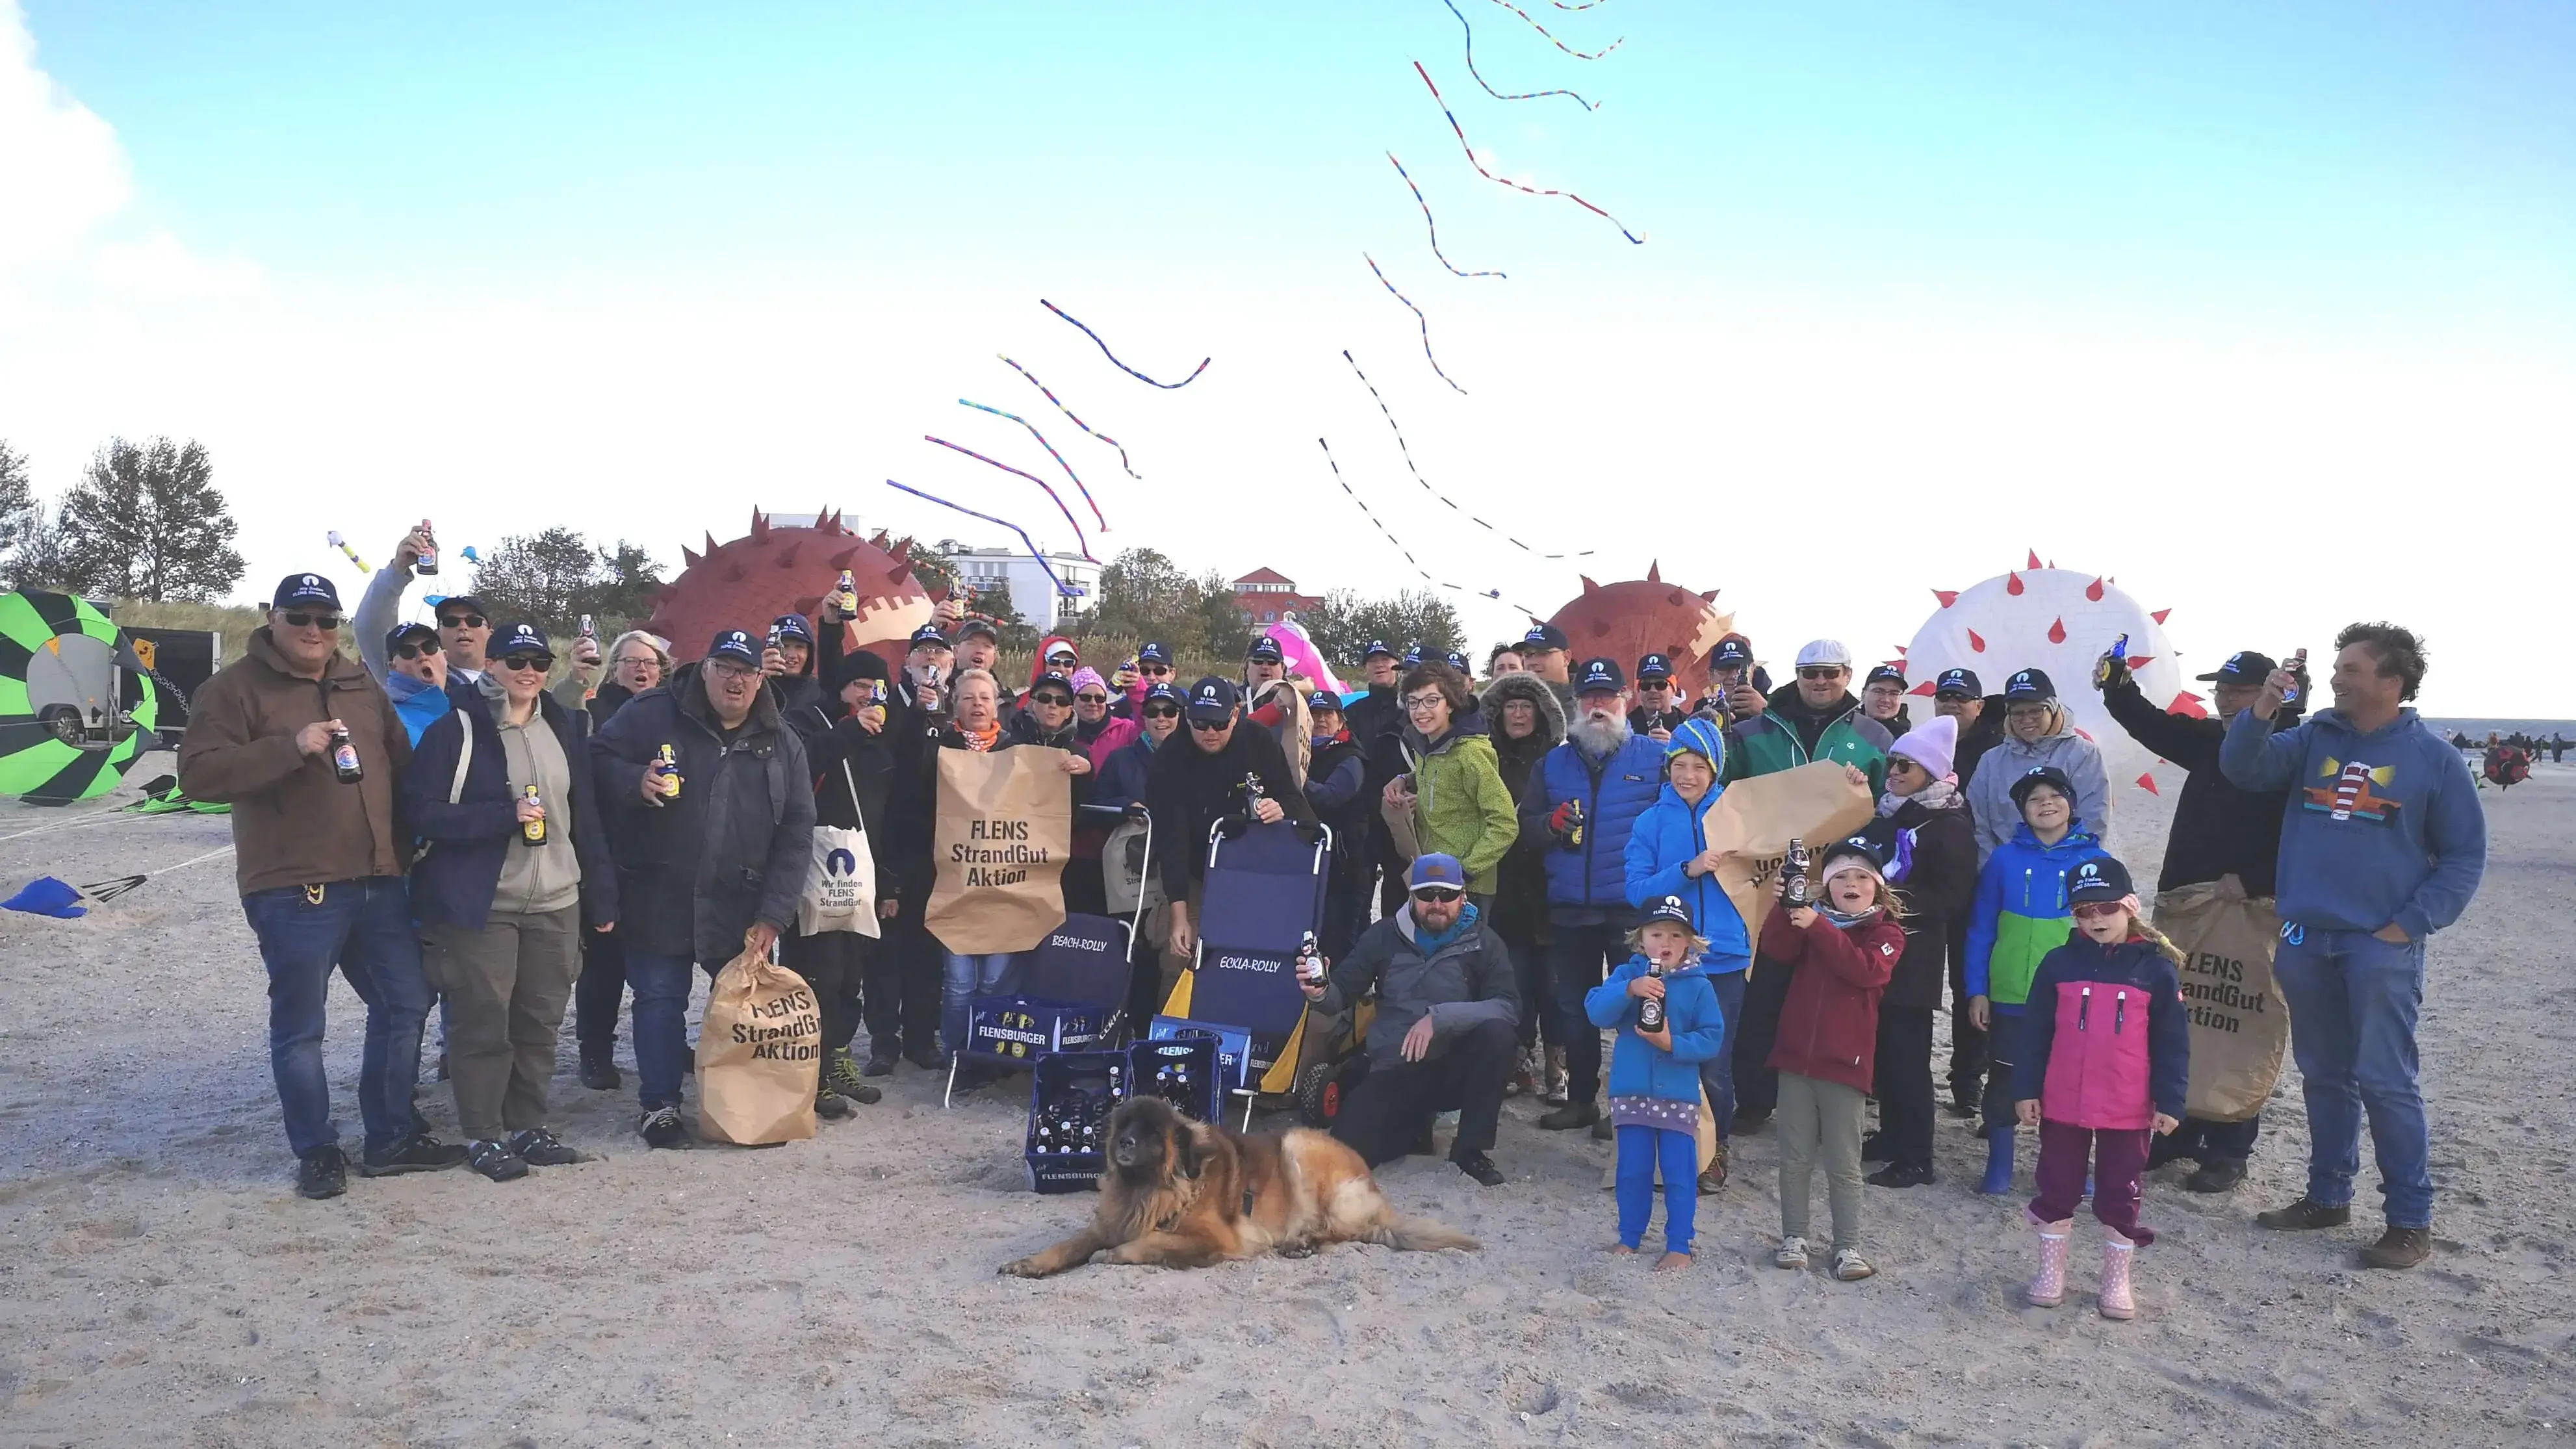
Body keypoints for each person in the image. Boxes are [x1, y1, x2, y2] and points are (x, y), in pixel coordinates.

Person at [177, 572, 461, 1198]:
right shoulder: (232, 689)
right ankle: (317, 1150)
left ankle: (389, 1138)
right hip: (293, 887)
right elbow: (197, 775)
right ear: (271, 617)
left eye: (326, 620)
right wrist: (289, 747)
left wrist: (418, 841)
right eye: (300, 617)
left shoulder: (361, 683)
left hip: (379, 879)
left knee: (406, 1003)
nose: (315, 631)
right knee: (303, 1027)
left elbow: (402, 765)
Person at [2221, 623, 2486, 1270]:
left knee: (2386, 1080)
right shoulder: (2312, 737)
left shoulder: (2433, 758)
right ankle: (2327, 1196)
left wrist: (2409, 924)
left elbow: (2463, 854)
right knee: (2325, 1077)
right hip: (2306, 938)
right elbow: (2243, 768)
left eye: (2352, 669)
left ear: (2391, 682)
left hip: (2379, 946)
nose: (2337, 678)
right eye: (2337, 667)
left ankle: (2408, 1219)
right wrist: (2263, 707)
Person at [403, 622, 619, 1181]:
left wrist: (601, 893)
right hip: (485, 904)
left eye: (540, 661)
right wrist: (502, 818)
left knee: (540, 1021)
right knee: (482, 1023)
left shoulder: (566, 725)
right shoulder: (457, 729)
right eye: (515, 658)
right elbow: (420, 812)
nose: (529, 670)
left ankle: (527, 1125)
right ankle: (483, 1134)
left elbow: (585, 815)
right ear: (491, 665)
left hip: (556, 898)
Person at [590, 628, 818, 1147]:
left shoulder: (783, 740)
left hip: (740, 902)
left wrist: (773, 915)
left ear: (762, 678)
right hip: (658, 892)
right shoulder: (650, 713)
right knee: (659, 1000)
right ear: (704, 669)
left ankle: (746, 1104)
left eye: (746, 671)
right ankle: (660, 1106)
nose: (736, 681)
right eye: (726, 668)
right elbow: (595, 761)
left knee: (746, 1008)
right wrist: (634, 781)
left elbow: (797, 831)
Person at [2098, 648, 2298, 1190]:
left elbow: (2304, 832)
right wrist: (2118, 687)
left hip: (2250, 907)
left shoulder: (2293, 748)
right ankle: (2178, 1130)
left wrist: (2255, 880)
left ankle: (2231, 1148)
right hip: (2188, 899)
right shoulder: (2213, 740)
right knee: (2181, 1014)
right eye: (2221, 690)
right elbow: (2152, 727)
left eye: (2236, 690)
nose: (2223, 698)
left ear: (2271, 691)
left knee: (2238, 1014)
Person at [2011, 854, 2189, 1319]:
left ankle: (2116, 1280)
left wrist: (2170, 1100)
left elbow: (2173, 1043)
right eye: (2084, 911)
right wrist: (2026, 1089)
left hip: (2128, 1105)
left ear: (2129, 906)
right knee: (2056, 1185)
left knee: (2121, 1191)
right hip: (2063, 1101)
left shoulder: (2156, 970)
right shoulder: (2057, 964)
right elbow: (2034, 1033)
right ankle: (2051, 1273)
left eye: (2106, 907)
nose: (2096, 919)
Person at [1304, 854, 1520, 1186]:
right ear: (1412, 896)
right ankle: (1413, 1129)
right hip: (1395, 1066)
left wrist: (1440, 1017)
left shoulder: (1484, 942)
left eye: (1447, 895)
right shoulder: (1382, 936)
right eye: (1427, 894)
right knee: (1344, 1155)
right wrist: (1318, 991)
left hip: (1453, 1068)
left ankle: (1470, 1149)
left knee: (1498, 1035)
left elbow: (1508, 1007)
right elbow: (1340, 996)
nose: (1437, 904)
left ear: (1463, 896)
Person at [1608, 717, 1752, 1192]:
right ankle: (1663, 1156)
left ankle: (1714, 1153)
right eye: (1679, 765)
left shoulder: (1737, 815)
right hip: (1668, 962)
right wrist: (1687, 870)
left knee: (1714, 1061)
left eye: (1698, 766)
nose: (1686, 775)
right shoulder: (1651, 821)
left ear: (1715, 771)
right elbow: (1635, 891)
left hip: (1725, 959)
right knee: (1662, 1057)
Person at [921, 668, 1088, 1062]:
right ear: (954, 704)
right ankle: (956, 1056)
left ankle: (985, 1056)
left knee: (995, 981)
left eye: (984, 697)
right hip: (958, 886)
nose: (977, 704)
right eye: (968, 697)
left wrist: (1080, 773)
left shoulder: (1018, 750)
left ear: (996, 703)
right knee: (959, 983)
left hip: (1005, 886)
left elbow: (1054, 812)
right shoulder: (938, 751)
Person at [1760, 837, 1904, 1283]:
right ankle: (1794, 1237)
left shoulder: (1886, 933)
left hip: (1846, 1062)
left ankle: (1848, 1246)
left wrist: (1816, 926)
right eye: (1841, 876)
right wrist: (1785, 909)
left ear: (1878, 887)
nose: (1852, 883)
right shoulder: (1810, 920)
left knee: (1844, 1162)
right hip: (1796, 1056)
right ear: (1827, 885)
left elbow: (1864, 971)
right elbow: (1776, 950)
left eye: (1862, 876)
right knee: (1795, 1157)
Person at [1964, 765, 2103, 1194]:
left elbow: (2113, 933)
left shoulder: (2095, 861)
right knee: (2005, 1077)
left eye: (2054, 794)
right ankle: (2000, 1167)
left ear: (2071, 804)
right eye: (2034, 798)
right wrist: (1977, 990)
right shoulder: (2004, 859)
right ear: (2022, 811)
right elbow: (1981, 927)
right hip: (2010, 994)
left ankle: (2066, 1169)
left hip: (2071, 997)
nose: (2046, 803)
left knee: (2069, 1082)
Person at [1856, 715, 1977, 1188]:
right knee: (1884, 1054)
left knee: (1908, 1059)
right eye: (1893, 762)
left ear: (1930, 771)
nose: (1896, 771)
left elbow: (1951, 897)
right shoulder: (1893, 813)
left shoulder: (1949, 825)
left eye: (1907, 764)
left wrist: (1887, 903)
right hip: (1879, 950)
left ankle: (1917, 1156)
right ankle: (1891, 1134)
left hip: (1914, 959)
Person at [782, 645, 904, 1100]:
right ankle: (807, 1072)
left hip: (863, 873)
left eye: (876, 688)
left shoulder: (884, 740)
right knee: (818, 973)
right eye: (859, 687)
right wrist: (849, 731)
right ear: (842, 690)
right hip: (814, 869)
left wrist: (889, 882)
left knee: (852, 976)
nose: (868, 696)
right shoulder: (813, 722)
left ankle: (837, 1061)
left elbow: (889, 814)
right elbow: (800, 765)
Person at [1586, 895, 1729, 1272]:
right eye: (1656, 933)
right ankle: (1630, 1237)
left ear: (1690, 943)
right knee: (1631, 1170)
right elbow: (1596, 1012)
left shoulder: (1699, 985)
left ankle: (1679, 1244)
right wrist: (1629, 989)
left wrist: (1673, 1045)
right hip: (1630, 1091)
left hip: (1678, 1094)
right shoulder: (1625, 976)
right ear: (1640, 938)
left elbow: (1713, 1037)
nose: (1665, 943)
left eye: (1676, 935)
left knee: (1680, 1173)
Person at [1149, 678, 1315, 966]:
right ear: (1187, 717)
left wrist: (1280, 808)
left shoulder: (1260, 741)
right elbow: (1171, 840)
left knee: (1255, 954)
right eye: (1200, 724)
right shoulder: (1170, 756)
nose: (1210, 732)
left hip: (1255, 870)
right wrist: (1179, 917)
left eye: (1219, 724)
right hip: (1196, 868)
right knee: (1179, 950)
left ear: (1236, 714)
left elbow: (1294, 799)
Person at [1479, 669, 1567, 1099]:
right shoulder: (1485, 756)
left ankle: (1558, 1066)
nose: (1517, 714)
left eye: (1525, 707)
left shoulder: (1558, 758)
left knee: (1554, 987)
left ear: (1541, 713)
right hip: (1507, 885)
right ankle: (1519, 1061)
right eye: (1510, 706)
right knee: (1513, 982)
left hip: (1551, 883)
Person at [1385, 661, 1519, 914]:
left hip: (1469, 888)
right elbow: (1441, 774)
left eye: (1431, 701)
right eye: (1413, 702)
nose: (1420, 711)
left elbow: (1505, 823)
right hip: (1431, 876)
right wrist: (1406, 778)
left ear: (1450, 705)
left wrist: (1465, 871)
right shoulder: (1427, 746)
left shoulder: (1471, 754)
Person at [1931, 665, 2004, 1114]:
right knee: (1915, 983)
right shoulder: (1927, 744)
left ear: (1980, 705)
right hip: (1926, 879)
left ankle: (1967, 1078)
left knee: (1969, 984)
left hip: (1976, 883)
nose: (1953, 704)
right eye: (1945, 697)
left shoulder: (1996, 750)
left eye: (1962, 697)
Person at [1094, 680, 1184, 1024]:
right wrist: (1123, 806)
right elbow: (1097, 801)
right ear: (1142, 716)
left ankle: (1164, 1026)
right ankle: (1131, 1026)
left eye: (1169, 711)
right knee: (1135, 949)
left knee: (1171, 952)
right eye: (1152, 711)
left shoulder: (1192, 758)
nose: (1161, 719)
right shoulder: (1122, 759)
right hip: (1135, 868)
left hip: (1178, 869)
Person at [1966, 669, 2109, 860]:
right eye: (2017, 713)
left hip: (2066, 871)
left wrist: (2062, 870)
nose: (2026, 720)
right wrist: (1995, 870)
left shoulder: (2084, 754)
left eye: (2035, 711)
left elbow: (2093, 819)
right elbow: (1977, 822)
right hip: (2006, 873)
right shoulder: (1991, 760)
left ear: (2053, 709)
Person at [1721, 639, 1894, 795]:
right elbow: (1713, 783)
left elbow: (1889, 802)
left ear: (1848, 676)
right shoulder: (1747, 734)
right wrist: (1703, 732)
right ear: (1798, 675)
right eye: (1811, 673)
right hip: (1767, 831)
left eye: (1830, 673)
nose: (1820, 681)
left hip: (1849, 832)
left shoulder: (1877, 737)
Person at [1303, 690, 1376, 962]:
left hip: (1345, 869)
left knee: (1340, 943)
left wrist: (1296, 782)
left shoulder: (1351, 757)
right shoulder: (1301, 752)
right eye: (1314, 714)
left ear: (1340, 720)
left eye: (1327, 714)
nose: (1321, 720)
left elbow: (1332, 797)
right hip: (1310, 865)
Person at [1341, 640, 1411, 918]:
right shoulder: (1353, 712)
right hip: (1363, 816)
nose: (1380, 665)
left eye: (1386, 660)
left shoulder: (1410, 711)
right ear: (1366, 668)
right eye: (1373, 661)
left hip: (1400, 813)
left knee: (1398, 896)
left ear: (1397, 666)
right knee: (1358, 897)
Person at [380, 622, 454, 746]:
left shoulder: (470, 704)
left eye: (430, 647)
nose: (422, 656)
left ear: (445, 656)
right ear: (393, 667)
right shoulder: (386, 715)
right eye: (408, 652)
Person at [1516, 622, 1576, 711]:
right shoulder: (1514, 701)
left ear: (1566, 658)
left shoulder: (1588, 701)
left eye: (1543, 653)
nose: (1533, 662)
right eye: (1528, 655)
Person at [1628, 654, 1688, 741]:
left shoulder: (1689, 726)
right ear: (1639, 690)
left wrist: (1673, 746)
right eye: (1646, 685)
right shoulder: (1625, 728)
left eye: (1661, 684)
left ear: (1674, 690)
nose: (1653, 690)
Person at [1861, 664, 1911, 740]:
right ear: (1863, 695)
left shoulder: (1906, 742)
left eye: (1894, 693)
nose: (1886, 700)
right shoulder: (1842, 726)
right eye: (1878, 691)